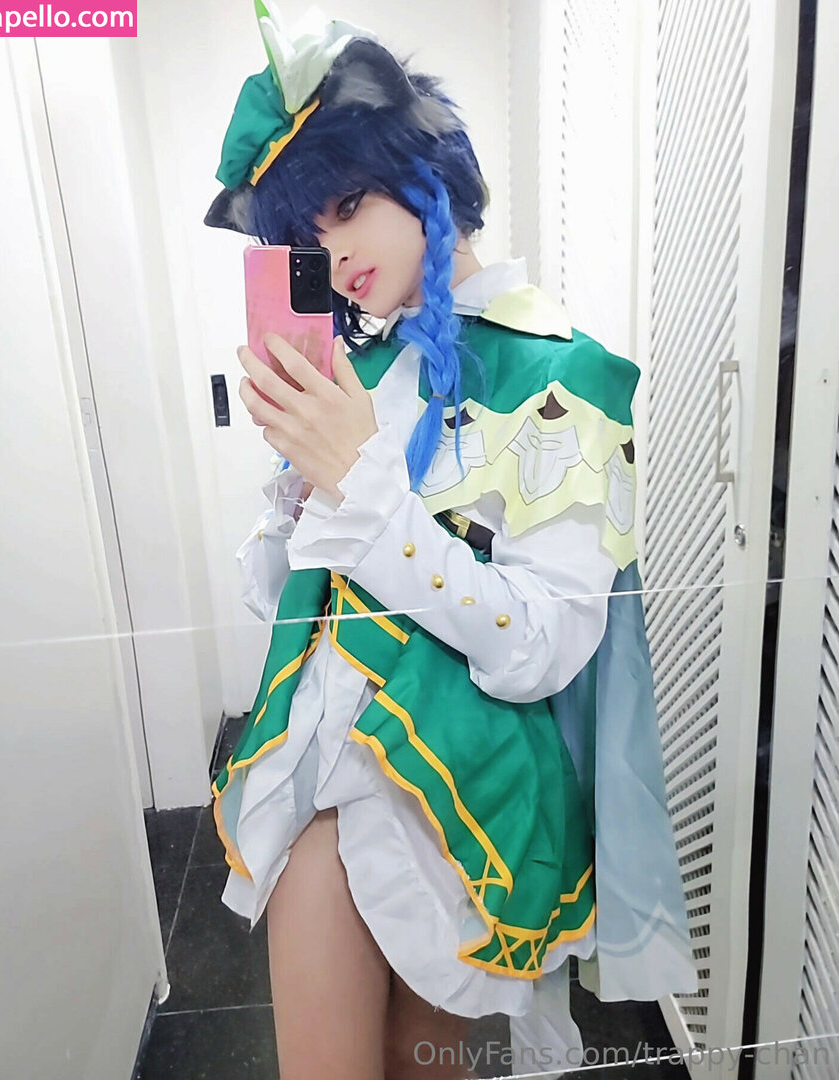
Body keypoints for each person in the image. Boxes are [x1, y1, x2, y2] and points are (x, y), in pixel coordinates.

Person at [204, 5, 698, 1078]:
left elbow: (540, 648)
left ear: (422, 170)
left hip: (461, 798)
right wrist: (300, 490)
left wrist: (365, 494)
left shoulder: (565, 375)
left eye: (347, 204)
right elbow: (288, 597)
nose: (332, 254)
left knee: (423, 1062)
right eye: (305, 237)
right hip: (322, 765)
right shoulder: (362, 370)